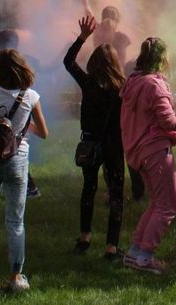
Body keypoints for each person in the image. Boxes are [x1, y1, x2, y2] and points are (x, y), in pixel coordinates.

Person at [119, 37, 176, 274]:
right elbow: (167, 120)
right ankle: (146, 257)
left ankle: (135, 253)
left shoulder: (133, 81)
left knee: (156, 203)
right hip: (155, 150)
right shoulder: (153, 85)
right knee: (167, 207)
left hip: (140, 151)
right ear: (161, 58)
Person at [0, 49, 50, 292]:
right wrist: (24, 125)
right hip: (17, 161)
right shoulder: (30, 96)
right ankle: (16, 276)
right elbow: (44, 133)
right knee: (15, 221)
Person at [64, 15, 127, 261]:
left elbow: (68, 62)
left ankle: (85, 236)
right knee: (116, 193)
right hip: (113, 144)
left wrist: (82, 37)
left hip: (90, 142)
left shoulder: (88, 83)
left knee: (88, 189)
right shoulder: (123, 87)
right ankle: (111, 246)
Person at [0, 29, 43, 200]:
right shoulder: (28, 61)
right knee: (14, 150)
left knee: (11, 150)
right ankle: (27, 186)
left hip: (5, 120)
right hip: (21, 117)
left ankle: (27, 186)